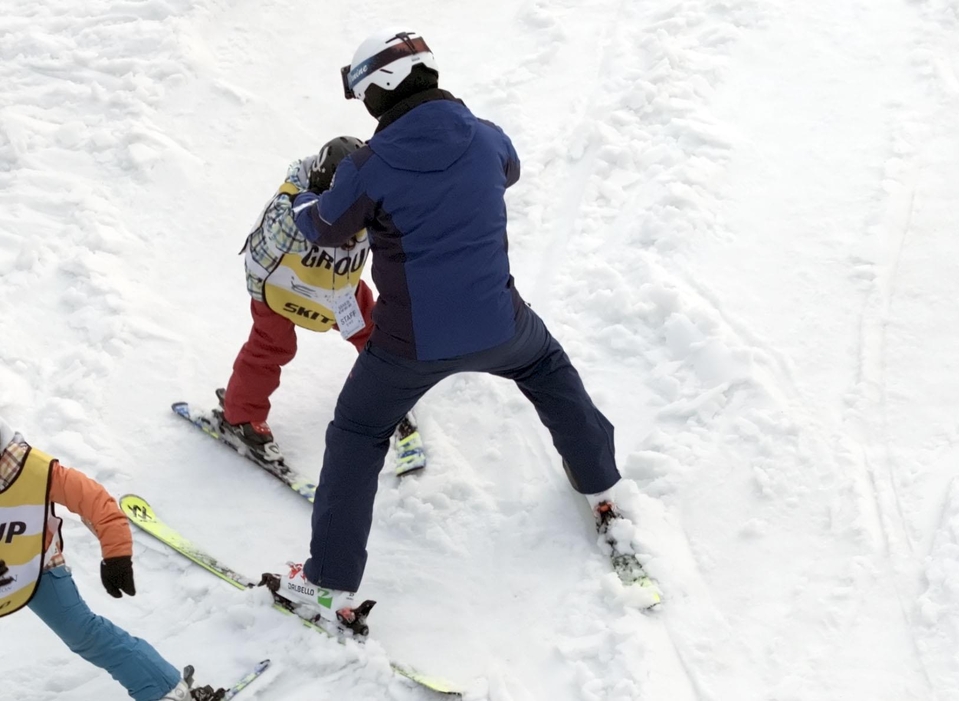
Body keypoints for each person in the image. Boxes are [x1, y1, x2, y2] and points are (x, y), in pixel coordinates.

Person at [266, 29, 628, 617]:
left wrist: (304, 193)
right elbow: (507, 171)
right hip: (501, 325)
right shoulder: (487, 138)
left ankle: (328, 579)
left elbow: (326, 227)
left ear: (378, 91)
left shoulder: (368, 166)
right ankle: (601, 485)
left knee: (357, 434)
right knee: (549, 370)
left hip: (408, 347)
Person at [219, 141, 425, 473]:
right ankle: (241, 417)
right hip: (280, 286)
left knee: (372, 330)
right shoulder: (289, 209)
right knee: (270, 346)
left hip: (334, 288)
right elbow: (283, 233)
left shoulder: (368, 200)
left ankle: (387, 389)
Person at [0, 416, 223, 701]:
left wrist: (116, 554)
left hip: (35, 562)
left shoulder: (29, 468)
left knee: (82, 632)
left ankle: (167, 691)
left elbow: (94, 501)